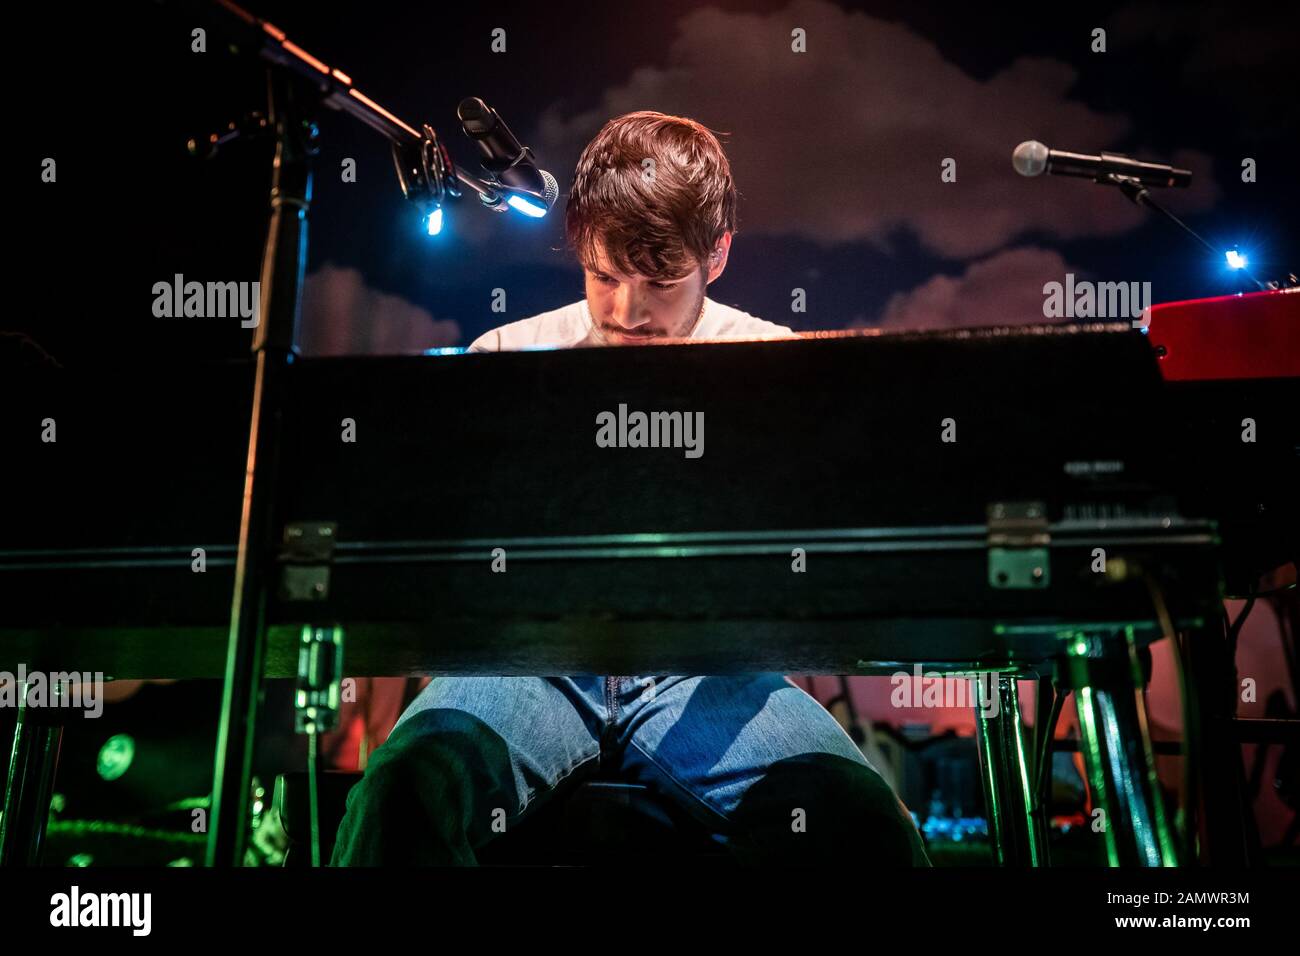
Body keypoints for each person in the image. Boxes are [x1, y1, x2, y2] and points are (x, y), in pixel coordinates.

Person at [331, 111, 930, 866]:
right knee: (405, 789)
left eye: (659, 280)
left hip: (713, 676)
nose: (626, 311)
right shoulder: (504, 357)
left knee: (861, 818)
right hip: (526, 665)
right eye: (604, 275)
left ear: (717, 255)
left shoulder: (775, 364)